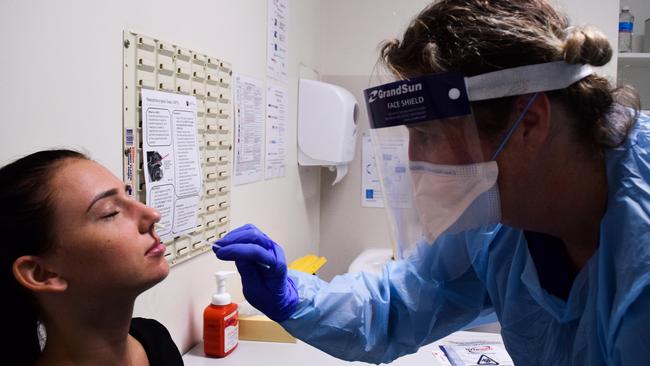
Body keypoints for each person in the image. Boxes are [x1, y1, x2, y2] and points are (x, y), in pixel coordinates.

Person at [214, 0, 650, 365]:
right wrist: (296, 297)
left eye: (427, 135)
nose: (413, 160)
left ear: (529, 123)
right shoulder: (498, 225)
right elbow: (404, 301)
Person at [1, 150, 183, 366]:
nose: (152, 214)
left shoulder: (155, 340)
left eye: (129, 195)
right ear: (42, 273)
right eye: (110, 212)